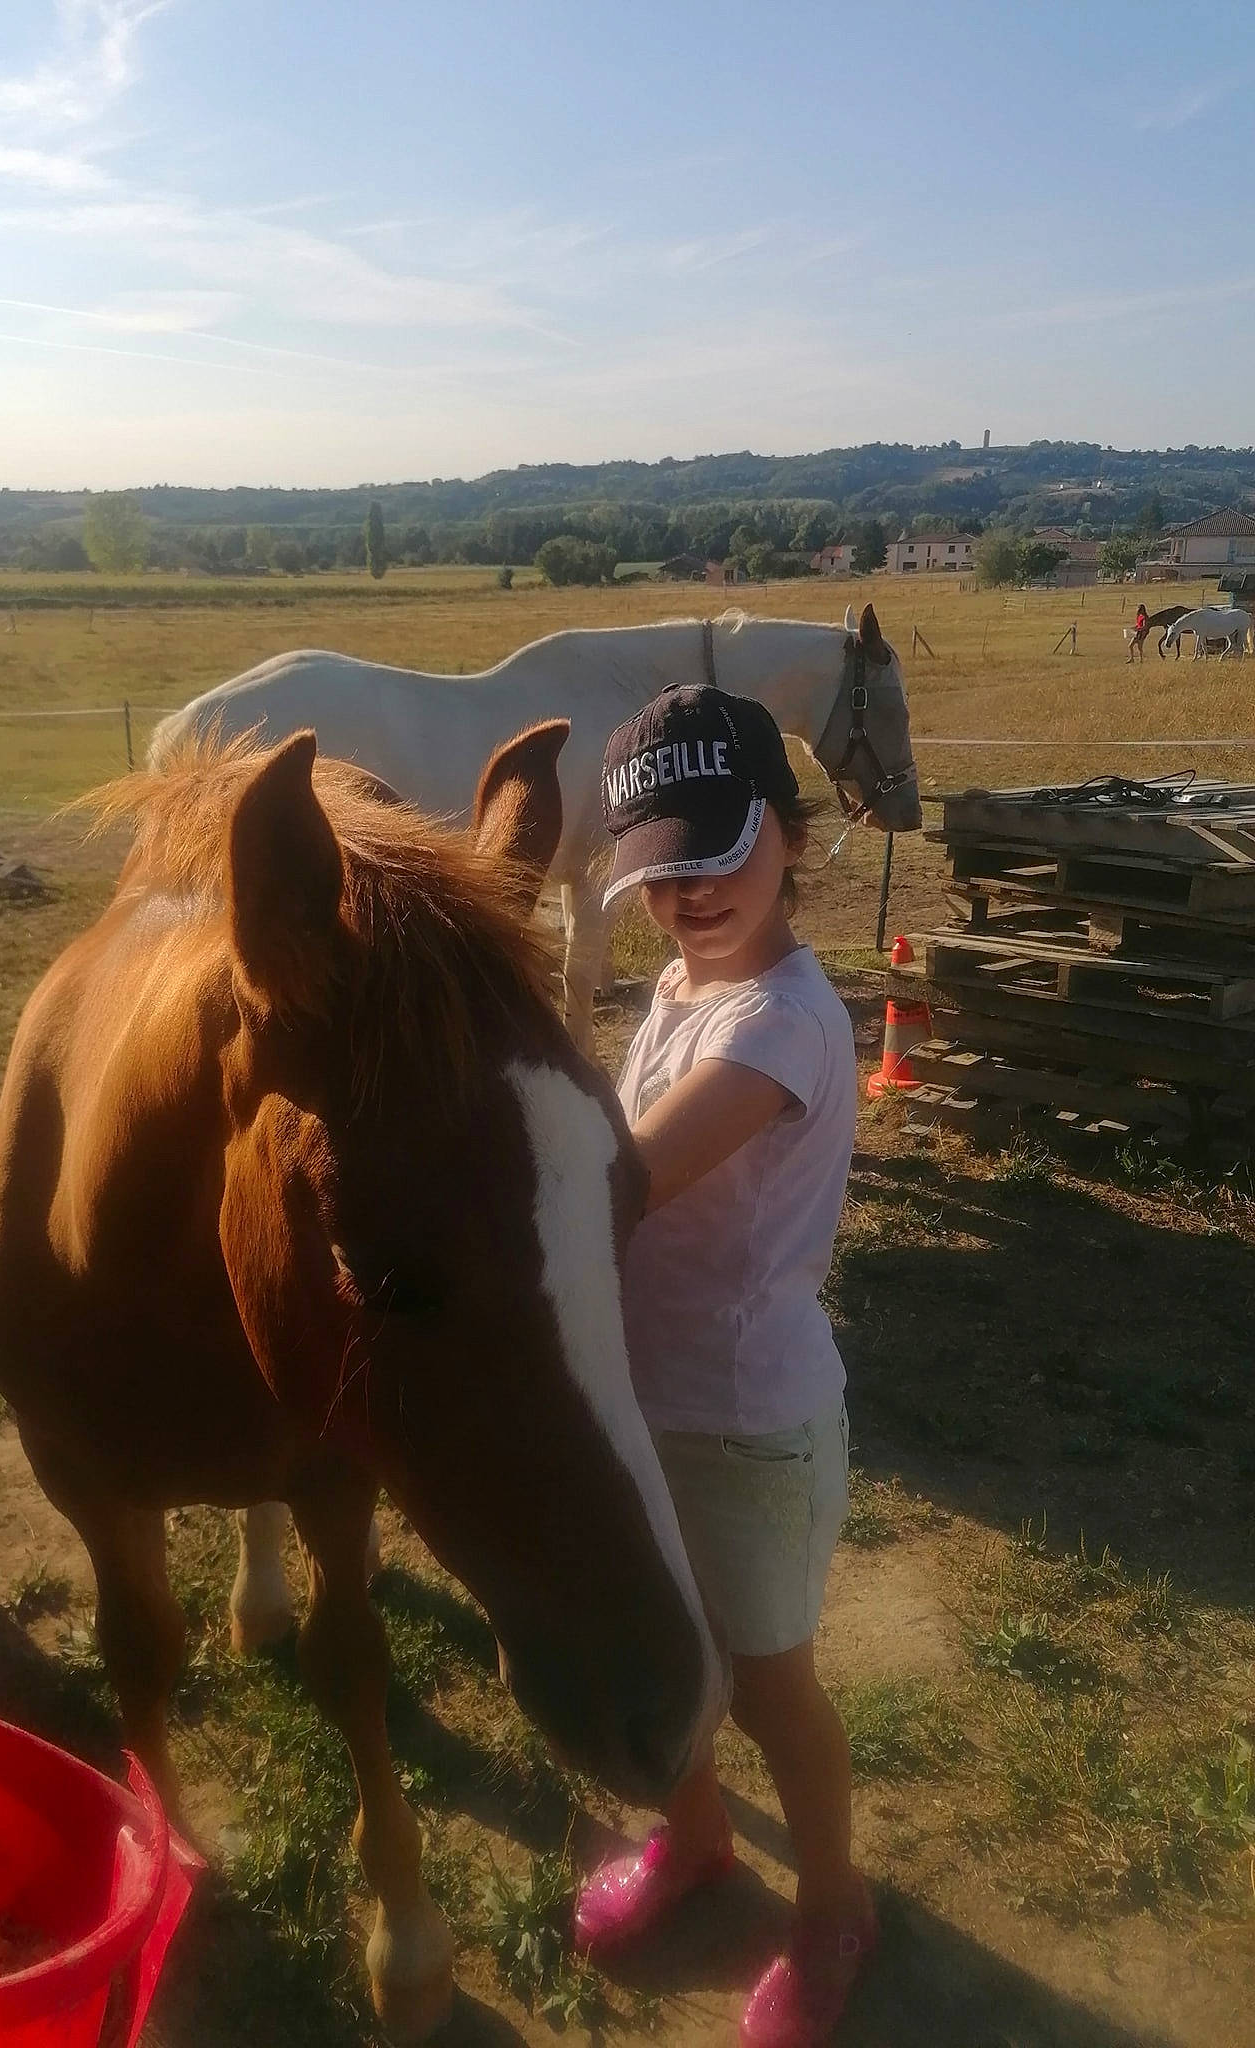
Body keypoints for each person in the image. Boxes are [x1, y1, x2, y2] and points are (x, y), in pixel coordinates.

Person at [575, 684, 873, 2048]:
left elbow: (622, 1180)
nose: (689, 893)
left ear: (791, 837)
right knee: (673, 1652)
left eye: (718, 853)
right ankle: (698, 1841)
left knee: (767, 1686)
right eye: (659, 870)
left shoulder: (781, 1025)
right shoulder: (687, 985)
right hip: (651, 1401)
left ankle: (834, 1911)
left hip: (749, 1425)